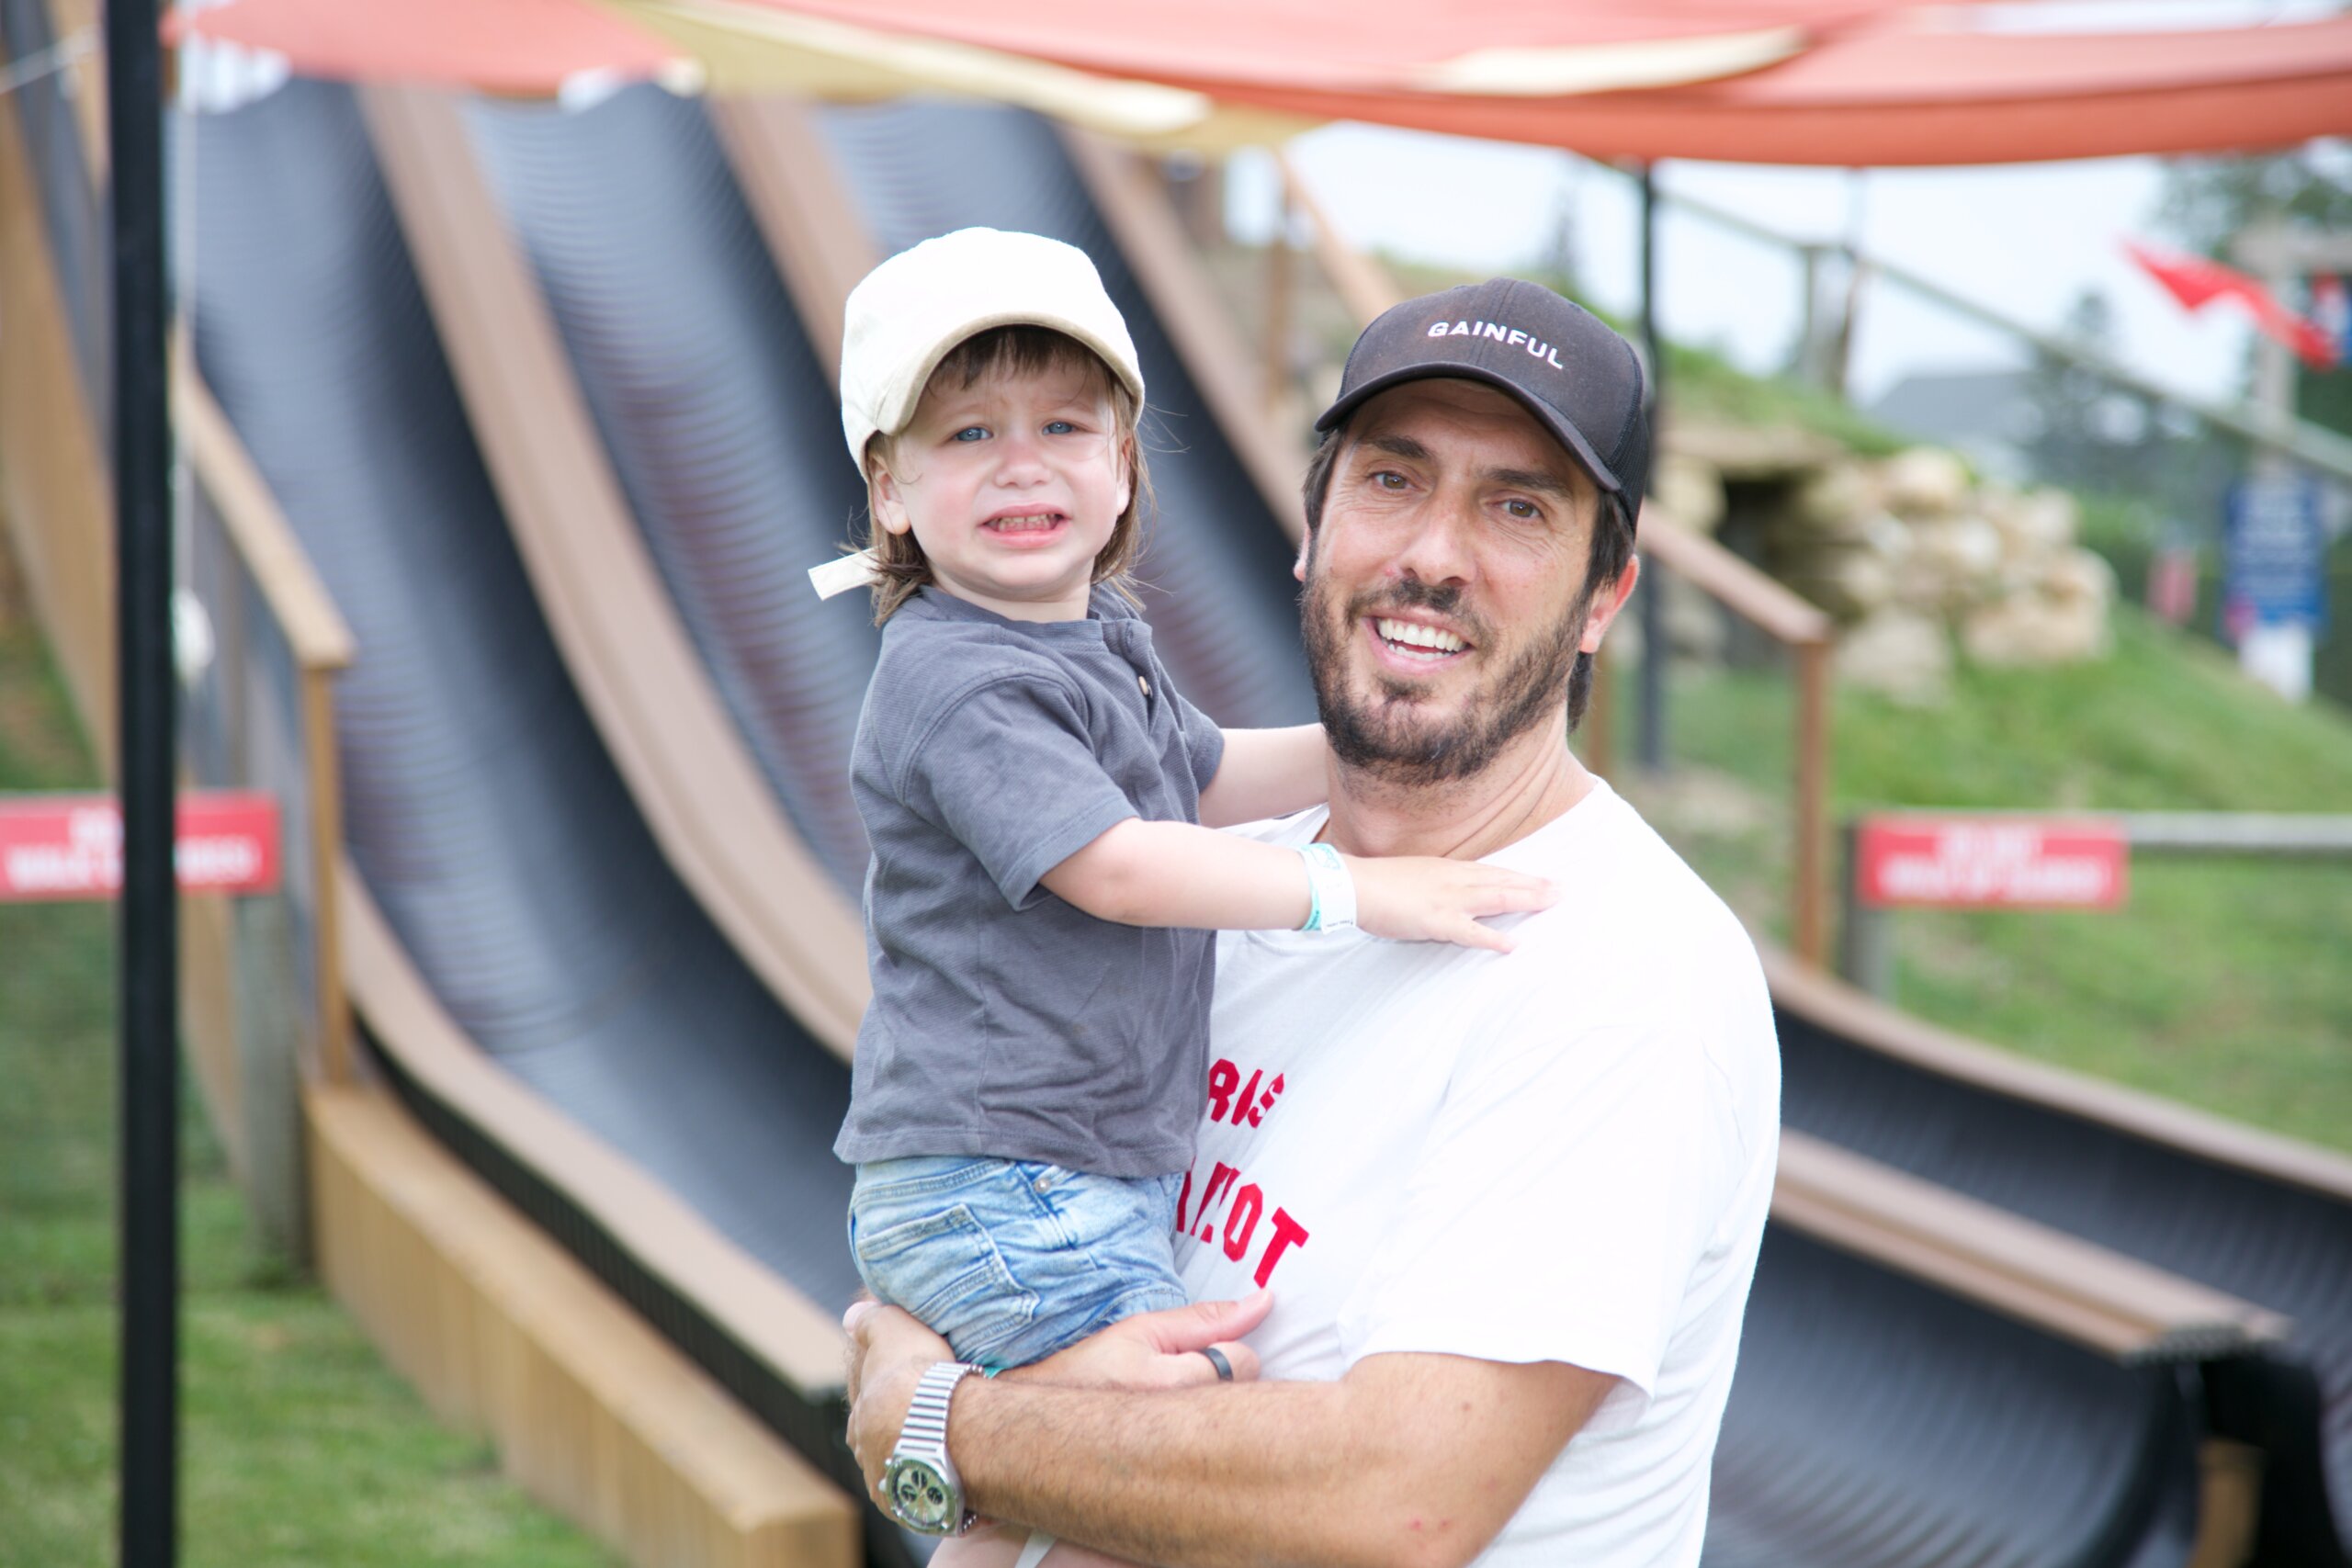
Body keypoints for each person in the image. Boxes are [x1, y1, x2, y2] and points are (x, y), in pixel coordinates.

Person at [842, 277, 1782, 1568]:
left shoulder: (1625, 975)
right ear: (1311, 529)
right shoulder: (1217, 880)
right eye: (1393, 481)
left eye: (1517, 506)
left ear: (1605, 596)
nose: (1434, 554)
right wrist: (936, 1380)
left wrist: (940, 1422)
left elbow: (1396, 1501)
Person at [823, 231, 1558, 1411]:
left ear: (1122, 462)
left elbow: (1198, 774)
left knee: (1062, 1504)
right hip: (1002, 1177)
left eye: (1062, 426)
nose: (1022, 466)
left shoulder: (1097, 633)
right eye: (968, 434)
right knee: (1152, 1452)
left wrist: (1392, 750)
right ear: (890, 491)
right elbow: (1115, 868)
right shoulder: (956, 679)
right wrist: (1356, 892)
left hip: (1062, 1166)